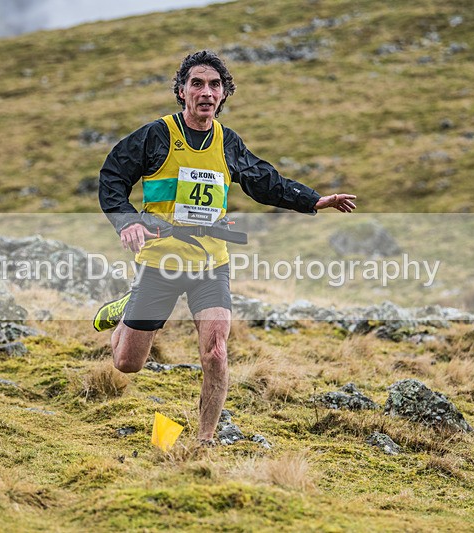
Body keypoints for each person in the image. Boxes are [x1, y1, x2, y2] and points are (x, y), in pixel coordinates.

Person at [95, 50, 356, 444]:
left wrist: (313, 200)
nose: (206, 91)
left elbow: (265, 181)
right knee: (128, 363)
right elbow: (113, 175)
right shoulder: (157, 135)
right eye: (196, 83)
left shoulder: (227, 143)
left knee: (216, 350)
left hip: (210, 263)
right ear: (182, 92)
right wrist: (127, 220)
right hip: (160, 263)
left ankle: (204, 443)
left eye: (214, 84)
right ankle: (126, 309)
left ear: (224, 93)